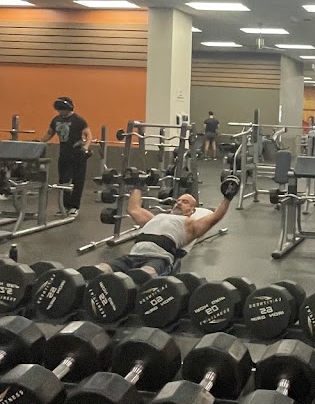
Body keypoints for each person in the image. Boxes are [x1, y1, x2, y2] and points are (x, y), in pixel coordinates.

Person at [95, 177, 238, 277]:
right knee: (98, 271)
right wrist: (138, 185)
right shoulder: (155, 218)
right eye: (178, 200)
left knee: (143, 275)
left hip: (157, 259)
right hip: (132, 256)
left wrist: (227, 198)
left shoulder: (189, 224)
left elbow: (214, 217)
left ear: (192, 211)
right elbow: (133, 209)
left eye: (185, 202)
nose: (179, 203)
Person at [38, 97, 91, 217]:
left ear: (68, 108)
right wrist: (39, 143)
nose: (60, 112)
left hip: (78, 153)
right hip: (64, 154)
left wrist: (86, 147)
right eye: (58, 110)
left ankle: (74, 207)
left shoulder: (78, 120)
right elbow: (49, 134)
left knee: (78, 180)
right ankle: (65, 206)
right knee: (63, 180)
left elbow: (88, 135)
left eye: (62, 109)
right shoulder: (56, 120)